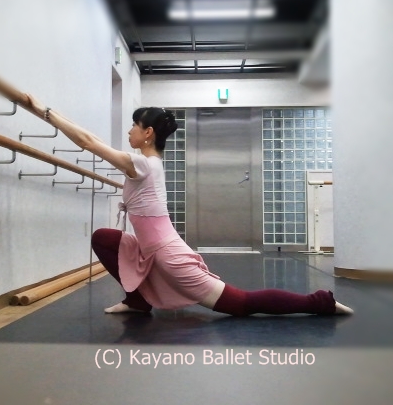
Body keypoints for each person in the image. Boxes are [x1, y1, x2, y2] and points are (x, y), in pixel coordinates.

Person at [26, 94, 354, 316]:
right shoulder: (146, 163)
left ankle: (319, 303)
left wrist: (44, 112)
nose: (129, 131)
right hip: (150, 251)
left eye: (133, 126)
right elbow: (92, 139)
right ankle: (137, 301)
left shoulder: (143, 165)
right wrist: (47, 111)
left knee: (241, 304)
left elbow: (87, 142)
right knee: (104, 238)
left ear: (148, 133)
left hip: (169, 257)